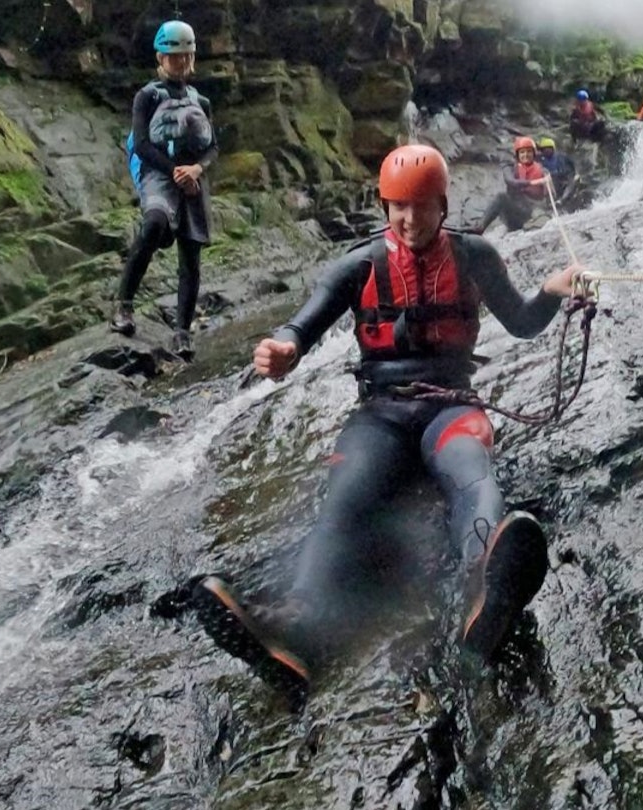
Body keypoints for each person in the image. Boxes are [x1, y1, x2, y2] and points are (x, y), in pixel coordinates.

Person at [189, 145, 583, 700]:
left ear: (443, 206)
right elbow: (305, 322)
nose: (409, 218)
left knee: (471, 468)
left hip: (450, 405)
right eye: (398, 206)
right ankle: (293, 627)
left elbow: (520, 322)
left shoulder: (476, 257)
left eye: (422, 206)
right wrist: (284, 347)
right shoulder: (359, 264)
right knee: (347, 493)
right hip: (381, 414)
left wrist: (551, 291)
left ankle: (485, 589)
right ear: (384, 205)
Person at [110, 19, 218, 362]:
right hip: (159, 172)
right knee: (154, 224)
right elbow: (141, 144)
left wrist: (196, 169)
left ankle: (182, 331)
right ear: (161, 58)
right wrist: (173, 171)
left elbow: (213, 146)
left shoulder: (201, 101)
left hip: (192, 177)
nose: (181, 63)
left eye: (186, 56)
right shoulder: (147, 96)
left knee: (191, 254)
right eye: (174, 57)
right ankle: (124, 304)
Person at [474, 136, 549, 234]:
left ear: (534, 153)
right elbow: (510, 181)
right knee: (501, 196)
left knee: (539, 211)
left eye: (529, 152)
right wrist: (533, 182)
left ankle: (536, 222)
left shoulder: (542, 170)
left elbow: (549, 195)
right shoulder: (510, 167)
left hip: (532, 210)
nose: (526, 155)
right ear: (517, 155)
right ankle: (480, 227)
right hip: (515, 214)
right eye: (522, 152)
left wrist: (548, 183)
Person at [536, 136, 579, 206]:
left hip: (564, 179)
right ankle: (552, 202)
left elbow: (573, 164)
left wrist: (576, 173)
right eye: (544, 149)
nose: (546, 150)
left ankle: (562, 200)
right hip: (552, 182)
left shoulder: (561, 156)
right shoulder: (540, 159)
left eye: (548, 148)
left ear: (553, 148)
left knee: (573, 181)